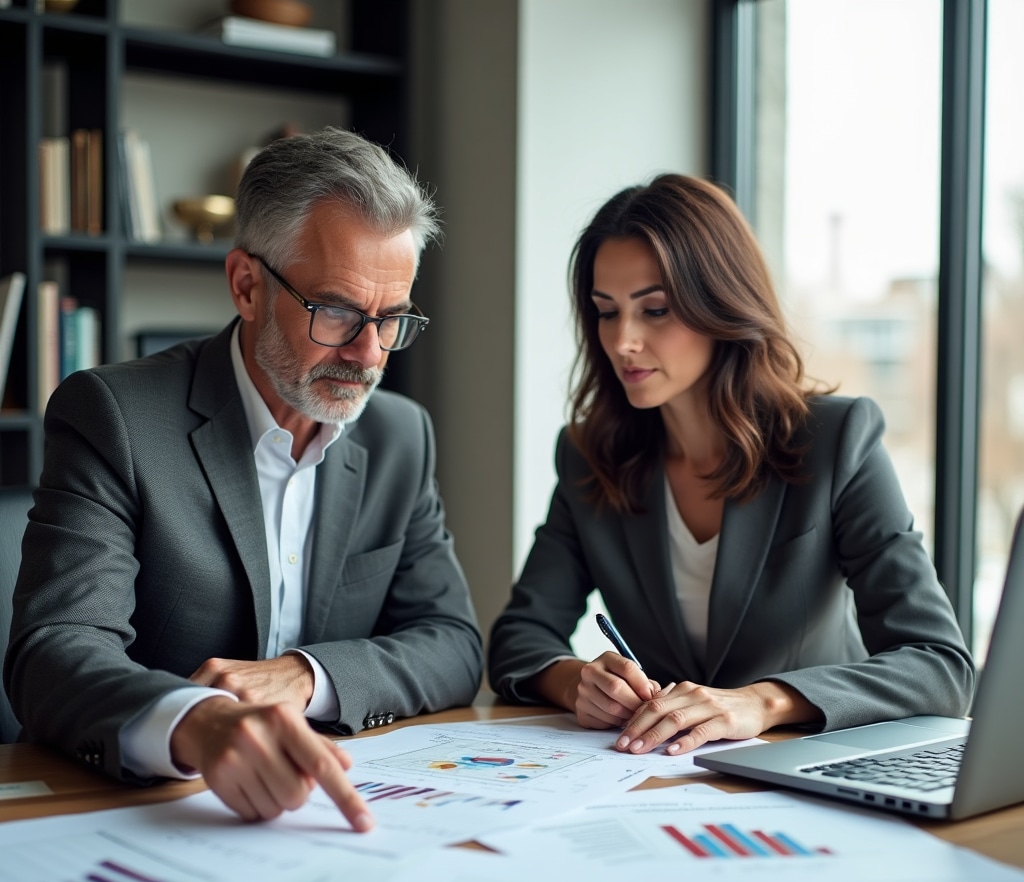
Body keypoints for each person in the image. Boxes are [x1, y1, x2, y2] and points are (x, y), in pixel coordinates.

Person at [4, 127, 483, 826]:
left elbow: (453, 642)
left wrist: (305, 677)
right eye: (339, 312)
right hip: (133, 809)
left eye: (392, 319)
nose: (370, 353)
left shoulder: (401, 436)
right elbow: (53, 651)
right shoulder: (113, 416)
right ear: (247, 285)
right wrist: (196, 722)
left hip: (325, 812)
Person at [488, 173, 973, 758]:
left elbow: (939, 665)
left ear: (719, 303)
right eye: (606, 312)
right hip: (654, 777)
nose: (623, 341)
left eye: (656, 310)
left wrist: (762, 702)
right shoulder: (591, 456)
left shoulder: (836, 440)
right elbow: (519, 639)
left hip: (810, 772)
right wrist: (575, 683)